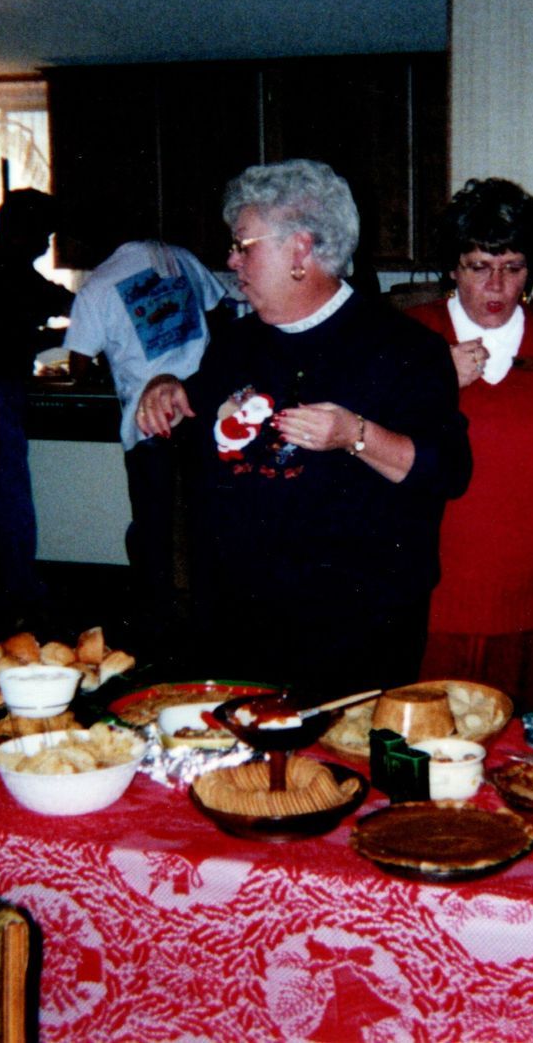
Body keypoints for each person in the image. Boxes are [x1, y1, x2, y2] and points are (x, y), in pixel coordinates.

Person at [135, 160, 471, 697]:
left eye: (244, 245)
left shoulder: (403, 349)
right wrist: (167, 387)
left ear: (300, 249)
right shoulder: (236, 342)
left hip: (351, 631)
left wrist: (356, 434)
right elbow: (205, 415)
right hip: (235, 619)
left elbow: (447, 469)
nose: (231, 259)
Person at [404, 178, 533, 708]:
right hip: (424, 601)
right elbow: (361, 447)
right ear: (453, 268)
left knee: (518, 762)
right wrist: (432, 381)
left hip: (531, 605)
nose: (497, 287)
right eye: (479, 267)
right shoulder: (405, 337)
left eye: (513, 268)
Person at [62, 237, 232, 648]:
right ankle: (204, 630)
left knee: (154, 532)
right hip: (203, 411)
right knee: (204, 528)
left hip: (149, 422)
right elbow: (219, 314)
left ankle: (160, 633)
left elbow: (77, 366)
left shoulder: (98, 287)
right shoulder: (182, 256)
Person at [0, 188, 73, 618]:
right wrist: (82, 328)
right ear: (21, 230)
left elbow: (53, 302)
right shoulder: (2, 266)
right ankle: (20, 591)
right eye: (43, 234)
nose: (46, 244)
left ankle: (4, 589)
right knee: (9, 490)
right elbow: (24, 326)